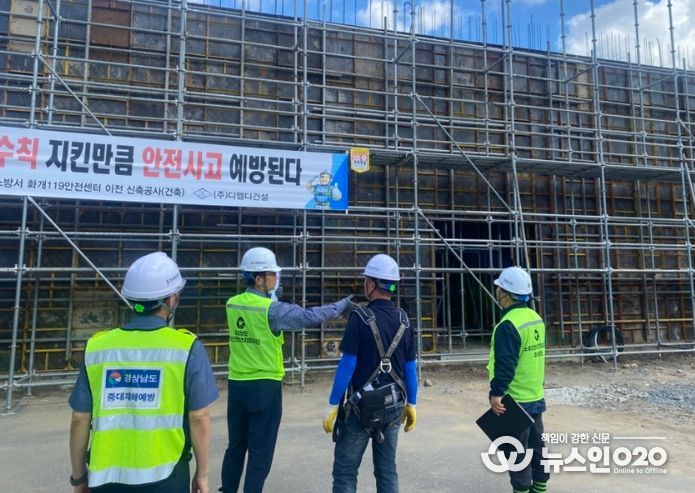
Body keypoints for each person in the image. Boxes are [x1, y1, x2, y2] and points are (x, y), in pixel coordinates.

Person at [68, 252, 218, 493]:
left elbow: (80, 418)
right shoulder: (186, 347)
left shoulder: (98, 346)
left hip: (106, 477)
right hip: (167, 475)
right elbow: (199, 416)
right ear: (170, 299)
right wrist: (202, 474)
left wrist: (79, 478)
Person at [221, 246, 354, 493]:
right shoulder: (272, 310)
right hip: (264, 386)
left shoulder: (233, 303)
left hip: (237, 385)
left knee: (236, 446)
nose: (277, 278)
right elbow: (308, 316)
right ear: (259, 279)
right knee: (260, 452)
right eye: (272, 274)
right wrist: (340, 306)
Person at [322, 253, 418, 493]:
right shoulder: (404, 321)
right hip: (393, 407)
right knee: (387, 472)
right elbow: (410, 369)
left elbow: (347, 365)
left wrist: (333, 404)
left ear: (372, 285)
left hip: (360, 409)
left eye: (366, 280)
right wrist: (412, 404)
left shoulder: (359, 318)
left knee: (345, 472)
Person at [487, 266, 549, 493]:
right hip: (535, 395)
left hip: (514, 400)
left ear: (505, 294)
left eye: (499, 288)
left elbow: (505, 364)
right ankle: (540, 488)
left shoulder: (508, 325)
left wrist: (496, 393)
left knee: (517, 454)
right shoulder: (535, 319)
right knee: (537, 448)